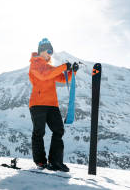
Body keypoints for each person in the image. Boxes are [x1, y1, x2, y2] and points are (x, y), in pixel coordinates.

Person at [28, 38, 79, 172]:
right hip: (38, 104)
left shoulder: (51, 68)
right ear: (41, 51)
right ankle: (40, 161)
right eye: (48, 51)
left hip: (52, 105)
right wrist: (63, 67)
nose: (50, 54)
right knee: (39, 132)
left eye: (51, 51)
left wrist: (72, 71)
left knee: (58, 130)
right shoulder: (34, 65)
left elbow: (63, 79)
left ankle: (55, 161)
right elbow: (44, 76)